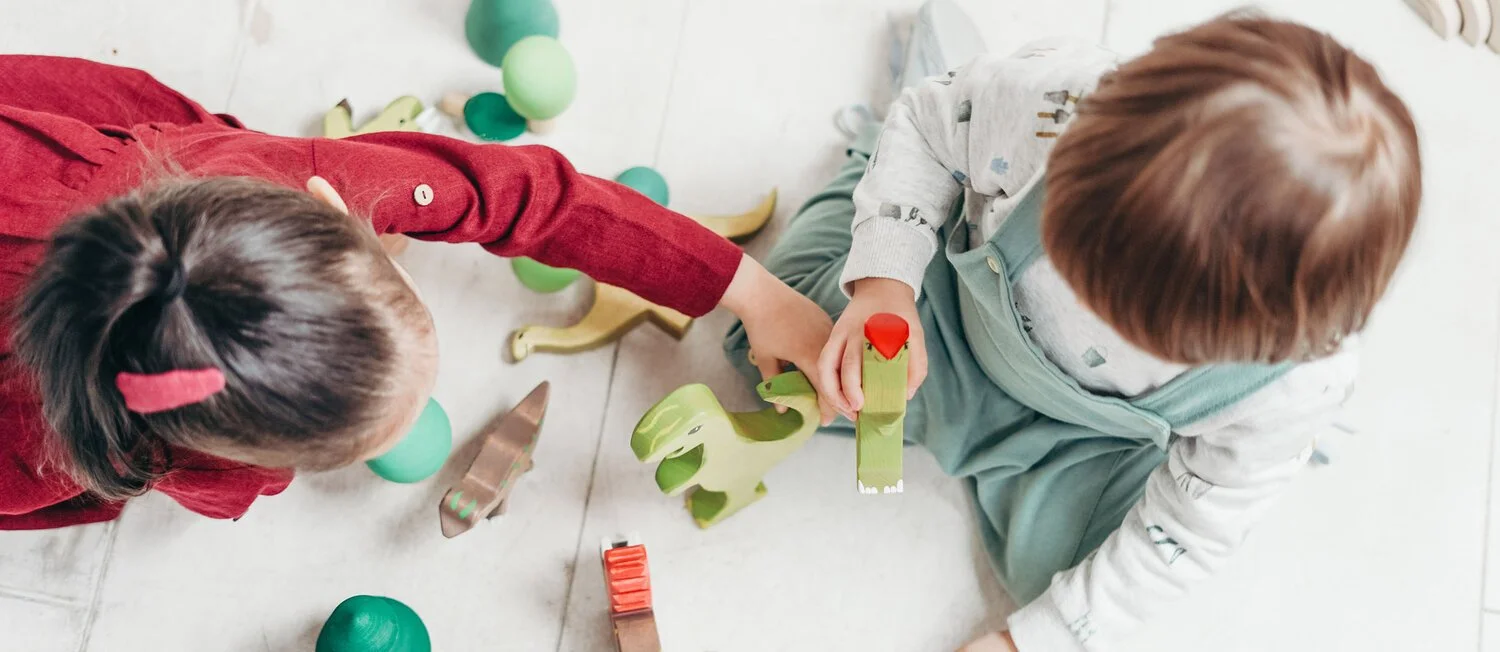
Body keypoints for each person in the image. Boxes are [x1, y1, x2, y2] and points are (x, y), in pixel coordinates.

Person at [724, 6, 1420, 650]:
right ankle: (886, 147)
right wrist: (883, 289)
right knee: (770, 354)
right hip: (945, 320)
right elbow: (930, 133)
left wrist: (1027, 641)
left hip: (1087, 441)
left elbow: (1186, 530)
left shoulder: (1296, 384)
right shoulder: (1053, 104)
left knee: (1076, 595)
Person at [0, 54, 833, 530]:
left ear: (332, 206)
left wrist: (750, 291)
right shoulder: (61, 457)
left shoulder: (288, 175)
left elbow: (525, 193)